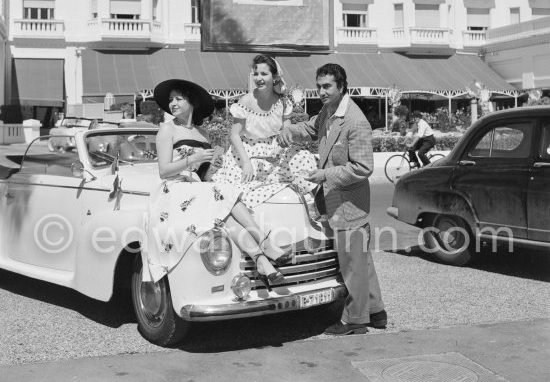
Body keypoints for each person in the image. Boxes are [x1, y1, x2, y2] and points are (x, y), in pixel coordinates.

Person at [141, 78, 291, 290]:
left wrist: (212, 165)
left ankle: (261, 260)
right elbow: (164, 170)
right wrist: (193, 158)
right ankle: (264, 243)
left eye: (178, 99)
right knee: (227, 195)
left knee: (225, 213)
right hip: (172, 190)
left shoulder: (203, 134)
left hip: (196, 189)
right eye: (171, 100)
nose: (173, 103)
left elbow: (203, 176)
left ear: (191, 102)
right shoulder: (167, 130)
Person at [278, 63, 387, 336]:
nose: (322, 92)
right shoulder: (330, 111)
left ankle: (355, 321)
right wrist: (288, 130)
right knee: (361, 261)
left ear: (341, 86)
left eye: (327, 86)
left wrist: (324, 174)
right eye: (319, 86)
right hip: (340, 202)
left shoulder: (356, 121)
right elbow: (313, 128)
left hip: (349, 204)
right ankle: (376, 312)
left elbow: (363, 168)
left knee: (352, 265)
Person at [212, 54, 317, 206]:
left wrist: (279, 149)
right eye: (256, 74)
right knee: (245, 184)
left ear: (274, 77)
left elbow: (286, 132)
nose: (259, 78)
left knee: (305, 157)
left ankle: (307, 203)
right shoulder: (246, 101)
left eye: (264, 73)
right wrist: (246, 163)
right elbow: (234, 135)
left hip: (275, 148)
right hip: (248, 151)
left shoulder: (283, 101)